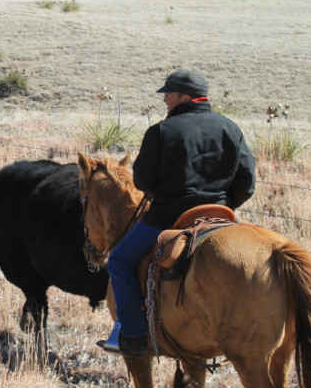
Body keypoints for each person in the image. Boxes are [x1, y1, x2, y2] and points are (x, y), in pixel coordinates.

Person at [99, 69, 256, 357]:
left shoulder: (161, 131)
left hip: (167, 219)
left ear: (185, 97)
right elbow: (247, 181)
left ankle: (133, 335)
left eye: (168, 94)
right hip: (218, 216)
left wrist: (164, 193)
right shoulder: (230, 128)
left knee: (119, 261)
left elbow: (142, 182)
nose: (165, 101)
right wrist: (225, 205)